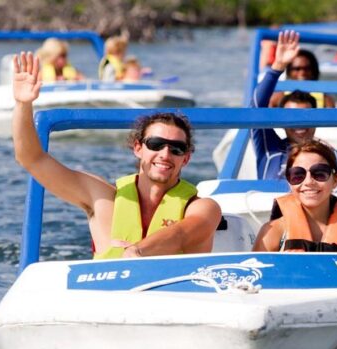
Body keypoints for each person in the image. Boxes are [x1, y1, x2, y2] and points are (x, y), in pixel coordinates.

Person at [12, 51, 221, 259]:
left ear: (186, 158)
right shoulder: (102, 199)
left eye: (176, 148)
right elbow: (32, 158)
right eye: (156, 144)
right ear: (138, 148)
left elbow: (181, 234)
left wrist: (137, 251)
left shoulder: (203, 208)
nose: (165, 154)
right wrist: (23, 104)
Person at [250, 30, 337, 180]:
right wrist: (277, 67)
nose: (299, 124)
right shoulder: (270, 148)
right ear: (282, 122)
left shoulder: (332, 155)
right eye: (292, 118)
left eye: (305, 117)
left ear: (316, 121)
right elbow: (256, 107)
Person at [253, 139, 337, 252]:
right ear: (289, 182)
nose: (308, 182)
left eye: (319, 173)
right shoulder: (273, 232)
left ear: (336, 180)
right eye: (298, 175)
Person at [268, 45, 335, 108]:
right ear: (289, 71)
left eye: (307, 69)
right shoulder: (277, 98)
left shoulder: (326, 99)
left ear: (314, 70)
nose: (302, 73)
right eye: (297, 69)